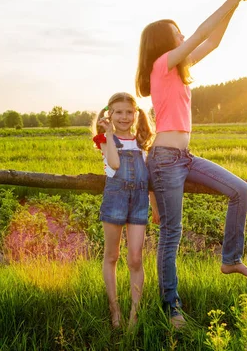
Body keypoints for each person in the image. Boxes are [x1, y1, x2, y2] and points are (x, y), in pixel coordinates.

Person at [135, 0, 247, 328]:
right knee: (171, 233)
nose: (182, 36)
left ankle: (230, 259)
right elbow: (201, 32)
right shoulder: (161, 65)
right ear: (164, 42)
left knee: (241, 189)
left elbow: (214, 40)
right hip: (163, 161)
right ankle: (171, 307)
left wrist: (235, 6)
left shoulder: (179, 69)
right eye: (176, 33)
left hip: (185, 158)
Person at [91, 92, 158, 329]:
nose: (124, 117)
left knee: (136, 258)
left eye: (129, 112)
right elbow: (115, 164)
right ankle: (114, 309)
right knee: (112, 256)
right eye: (119, 112)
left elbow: (148, 177)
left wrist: (155, 206)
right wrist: (108, 133)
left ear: (136, 114)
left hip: (139, 201)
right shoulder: (104, 139)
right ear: (110, 114)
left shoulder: (142, 141)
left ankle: (134, 314)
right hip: (115, 200)